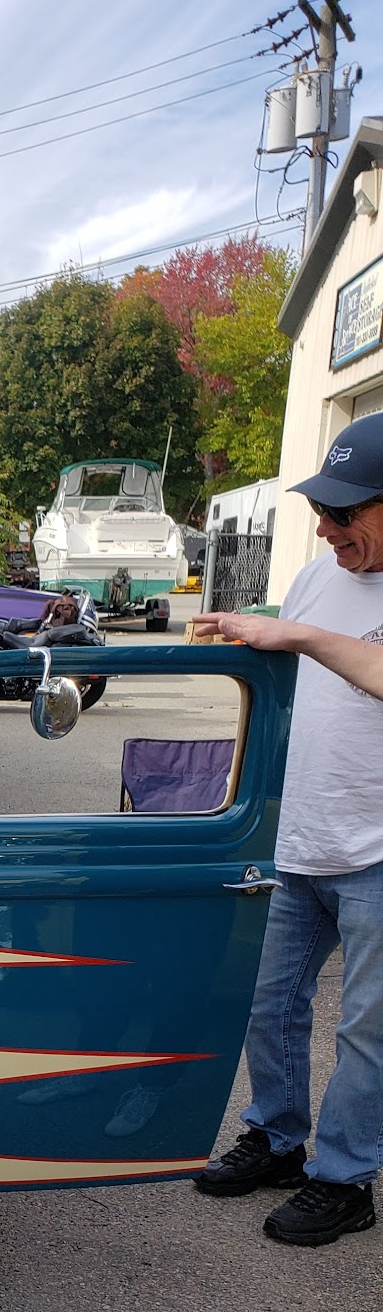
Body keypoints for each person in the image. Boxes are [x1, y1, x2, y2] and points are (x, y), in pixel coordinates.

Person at [190, 412, 383, 1247]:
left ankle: (344, 1178)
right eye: (320, 508)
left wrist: (296, 631)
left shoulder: (316, 606)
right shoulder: (314, 579)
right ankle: (275, 1138)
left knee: (367, 1031)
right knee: (270, 1005)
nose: (326, 527)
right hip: (304, 839)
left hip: (378, 851)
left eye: (346, 510)